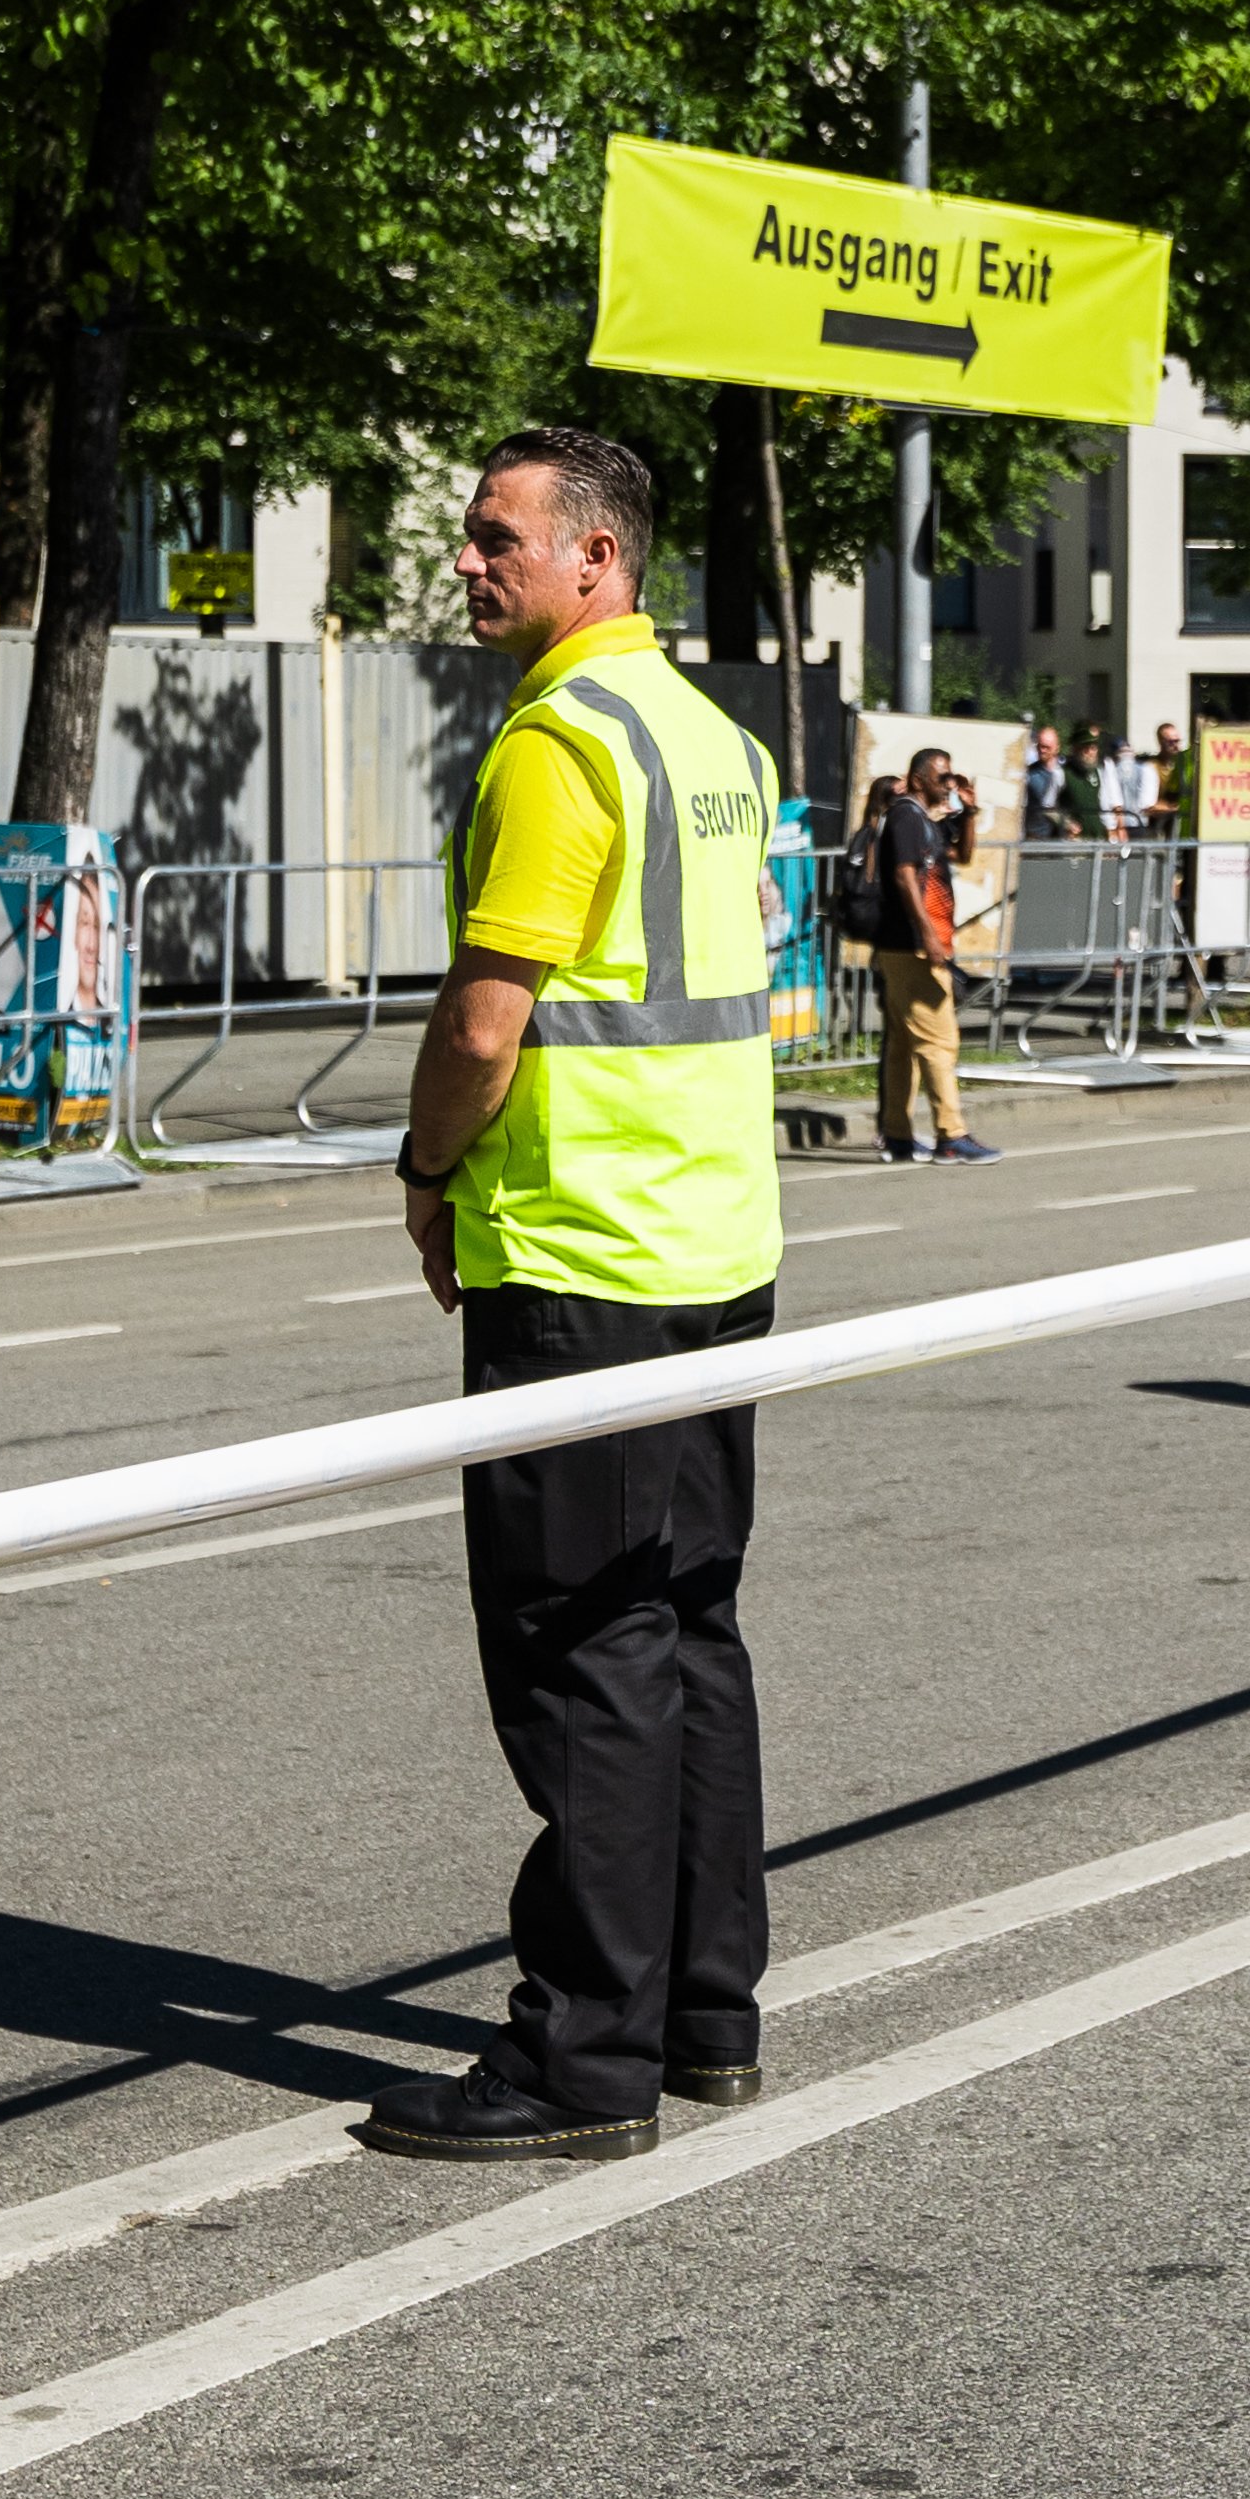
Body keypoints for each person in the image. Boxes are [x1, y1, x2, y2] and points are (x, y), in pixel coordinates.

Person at [372, 427, 786, 2163]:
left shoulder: (555, 740)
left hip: (581, 1251)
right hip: (718, 1244)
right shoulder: (710, 732)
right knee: (688, 1626)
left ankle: (584, 2053)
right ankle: (705, 2014)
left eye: (493, 537)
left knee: (582, 1653)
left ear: (593, 558)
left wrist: (424, 1169)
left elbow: (488, 1018)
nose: (466, 561)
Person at [847, 742, 990, 1164]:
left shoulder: (926, 819)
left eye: (951, 776)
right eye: (942, 777)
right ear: (918, 779)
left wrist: (970, 812)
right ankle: (951, 1135)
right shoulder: (907, 818)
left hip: (910, 946)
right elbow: (905, 875)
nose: (949, 783)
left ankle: (897, 1135)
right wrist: (928, 934)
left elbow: (962, 854)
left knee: (903, 1046)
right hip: (912, 946)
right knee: (940, 1041)